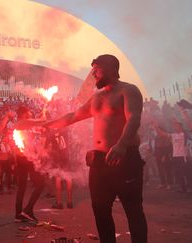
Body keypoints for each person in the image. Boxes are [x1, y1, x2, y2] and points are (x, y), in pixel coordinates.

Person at [44, 54, 147, 243]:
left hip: (125, 158)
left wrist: (122, 145)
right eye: (92, 70)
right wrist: (45, 124)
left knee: (133, 210)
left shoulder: (128, 90)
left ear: (111, 69)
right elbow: (73, 116)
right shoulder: (97, 98)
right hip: (99, 162)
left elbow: (134, 118)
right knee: (100, 209)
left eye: (97, 70)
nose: (93, 75)